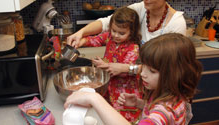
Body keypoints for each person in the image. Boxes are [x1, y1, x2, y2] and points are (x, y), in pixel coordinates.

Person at [67, 0, 186, 75]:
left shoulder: (176, 24)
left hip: (160, 91)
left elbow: (167, 68)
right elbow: (106, 22)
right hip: (139, 86)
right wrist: (80, 33)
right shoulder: (140, 9)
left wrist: (126, 68)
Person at [64, 33, 203, 125]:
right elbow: (153, 110)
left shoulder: (165, 111)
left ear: (174, 74)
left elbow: (159, 114)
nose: (143, 74)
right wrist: (140, 104)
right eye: (144, 66)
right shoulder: (169, 93)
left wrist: (94, 99)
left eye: (152, 71)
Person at [78, 6, 142, 122]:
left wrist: (104, 65)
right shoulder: (109, 37)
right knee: (107, 114)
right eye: (114, 30)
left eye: (121, 33)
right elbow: (96, 39)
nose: (116, 35)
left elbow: (123, 71)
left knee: (120, 118)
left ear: (131, 32)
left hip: (124, 92)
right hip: (110, 86)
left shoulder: (133, 48)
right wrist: (81, 41)